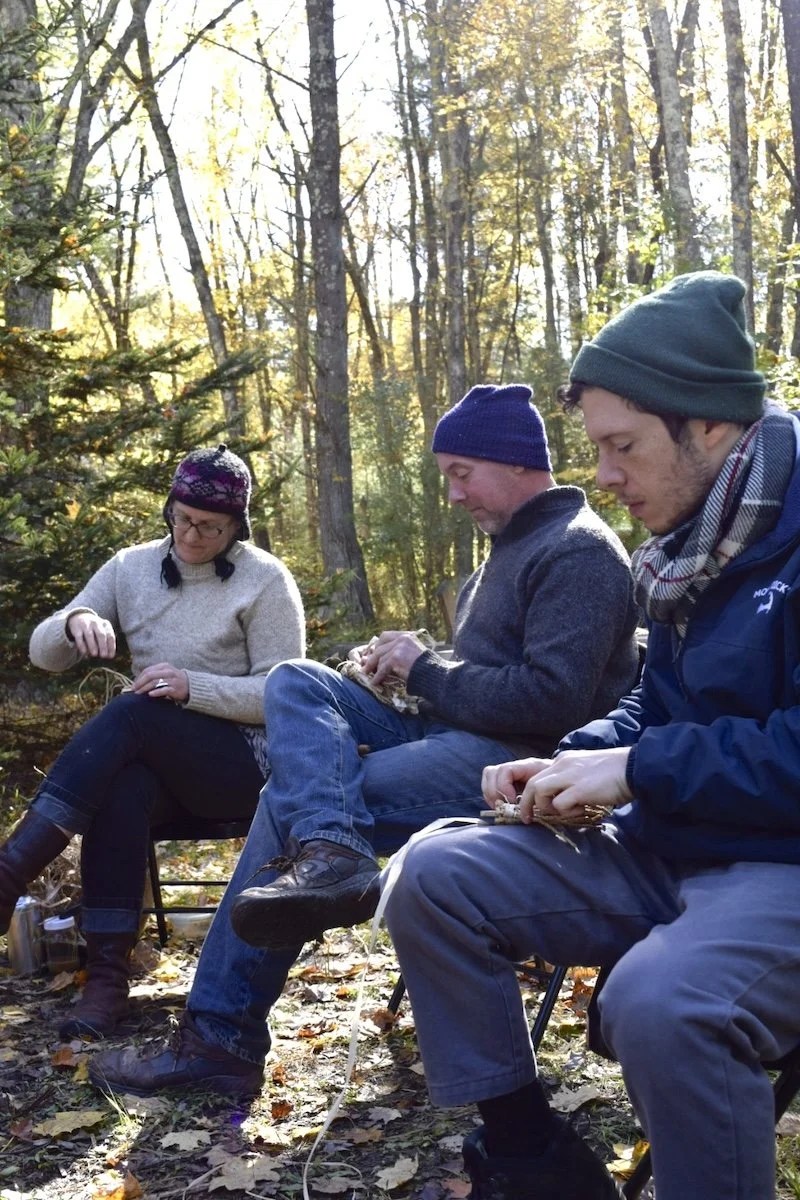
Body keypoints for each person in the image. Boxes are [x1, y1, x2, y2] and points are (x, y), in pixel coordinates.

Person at [88, 381, 639, 1098]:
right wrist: (399, 670)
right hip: (455, 730)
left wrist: (427, 668)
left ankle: (220, 1035)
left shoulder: (579, 552)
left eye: (459, 474)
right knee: (297, 679)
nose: (452, 494)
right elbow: (485, 673)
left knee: (292, 802)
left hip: (516, 764)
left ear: (514, 463)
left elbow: (551, 699)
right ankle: (330, 851)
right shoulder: (508, 550)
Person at [382, 271, 800, 1200]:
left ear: (712, 426)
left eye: (622, 446)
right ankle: (534, 1158)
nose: (603, 476)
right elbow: (659, 702)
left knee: (661, 1003)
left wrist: (637, 765)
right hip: (672, 839)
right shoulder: (693, 544)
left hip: (781, 863)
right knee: (434, 875)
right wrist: (579, 754)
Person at [1, 444, 305, 1041]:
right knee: (124, 784)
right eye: (183, 518)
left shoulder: (265, 579)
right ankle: (108, 981)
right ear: (170, 507)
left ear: (236, 525)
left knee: (135, 714)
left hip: (244, 767)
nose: (192, 535)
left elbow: (286, 693)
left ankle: (11, 870)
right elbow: (43, 654)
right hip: (163, 774)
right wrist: (73, 621)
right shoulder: (131, 567)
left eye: (210, 526)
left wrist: (194, 687)